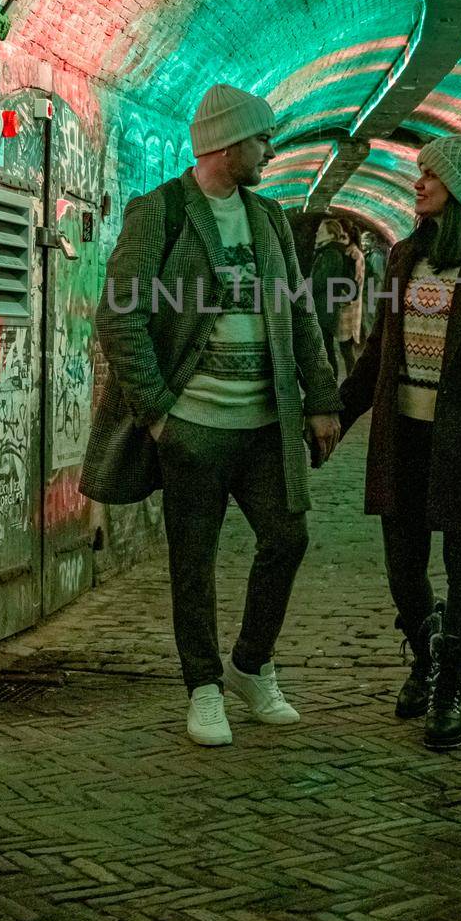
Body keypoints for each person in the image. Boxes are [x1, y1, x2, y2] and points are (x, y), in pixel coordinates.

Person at [82, 83, 341, 748]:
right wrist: (160, 413)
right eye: (261, 140)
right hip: (191, 427)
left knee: (288, 538)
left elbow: (299, 317)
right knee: (191, 562)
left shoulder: (270, 219)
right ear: (228, 145)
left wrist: (321, 400)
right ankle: (202, 687)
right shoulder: (162, 212)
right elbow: (120, 314)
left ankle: (251, 665)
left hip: (264, 425)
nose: (269, 150)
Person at [339, 122, 461, 751]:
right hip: (406, 438)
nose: (417, 182)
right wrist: (338, 416)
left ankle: (449, 683)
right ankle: (425, 652)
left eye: (429, 174)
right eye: (421, 173)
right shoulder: (403, 257)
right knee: (403, 566)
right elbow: (378, 353)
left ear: (456, 187)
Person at [310, 216, 349, 376]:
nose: (317, 233)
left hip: (325, 310)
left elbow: (320, 281)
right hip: (325, 308)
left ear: (331, 235)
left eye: (321, 231)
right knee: (324, 349)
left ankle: (331, 384)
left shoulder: (331, 254)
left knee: (325, 350)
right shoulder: (328, 252)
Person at [336, 220, 366, 376]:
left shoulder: (355, 254)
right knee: (345, 348)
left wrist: (343, 298)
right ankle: (351, 381)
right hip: (347, 305)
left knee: (347, 348)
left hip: (349, 306)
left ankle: (352, 381)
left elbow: (355, 281)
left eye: (341, 236)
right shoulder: (348, 252)